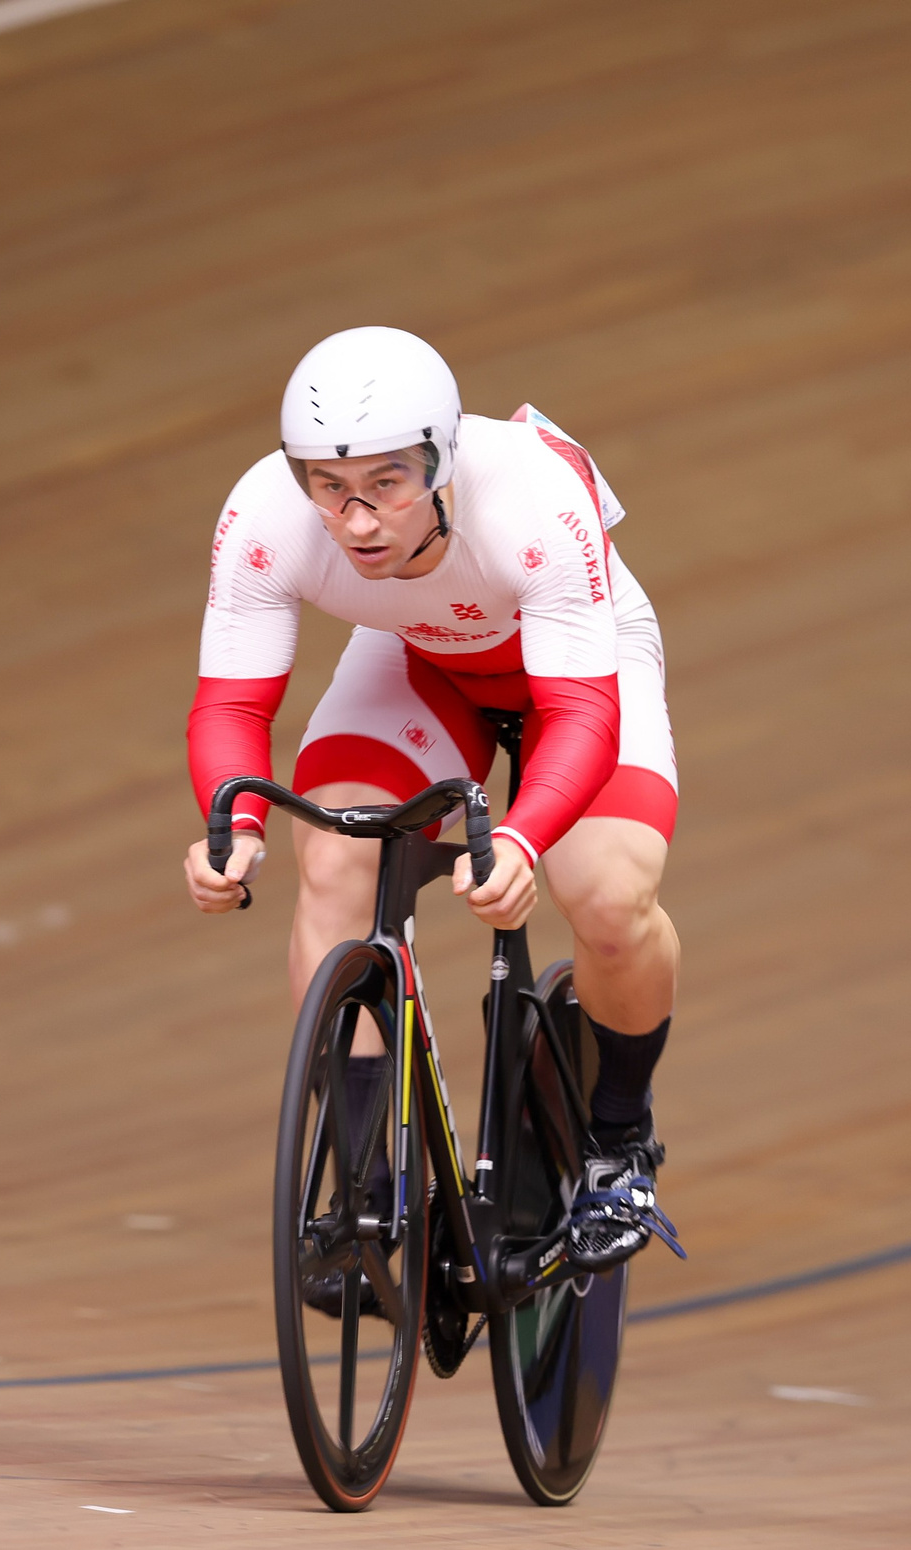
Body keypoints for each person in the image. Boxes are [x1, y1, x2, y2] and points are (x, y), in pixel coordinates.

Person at [180, 327, 684, 1280]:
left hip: (575, 668)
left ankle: (621, 1140)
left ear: (444, 461)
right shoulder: (264, 514)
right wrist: (229, 826)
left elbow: (577, 710)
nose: (358, 520)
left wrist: (526, 839)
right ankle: (366, 1187)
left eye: (388, 484)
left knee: (610, 899)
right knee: (333, 859)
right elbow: (232, 703)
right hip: (422, 663)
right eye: (329, 488)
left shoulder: (531, 497)